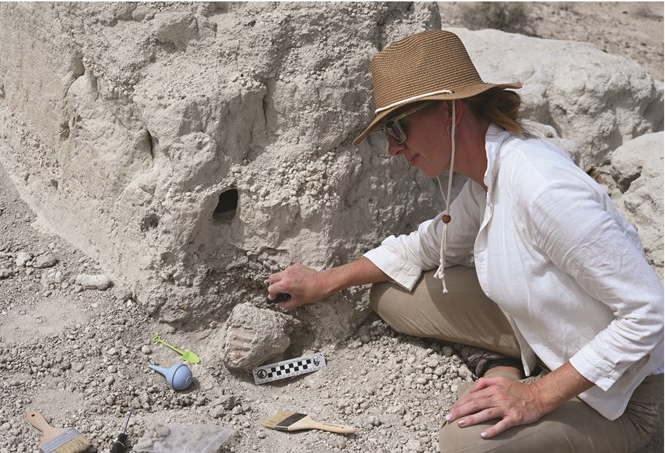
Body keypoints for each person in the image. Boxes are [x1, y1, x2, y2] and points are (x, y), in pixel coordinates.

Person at [266, 30, 662, 452]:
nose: (393, 150)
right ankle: (503, 366)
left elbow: (649, 312)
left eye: (398, 128)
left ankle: (519, 382)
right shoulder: (486, 177)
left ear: (450, 112)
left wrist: (537, 395)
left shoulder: (544, 190)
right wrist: (325, 281)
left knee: (466, 443)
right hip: (548, 334)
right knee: (392, 295)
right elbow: (422, 247)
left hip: (625, 394)